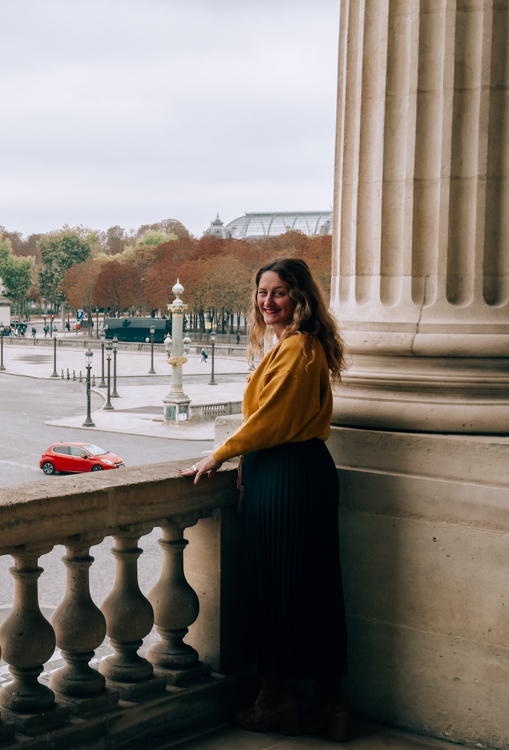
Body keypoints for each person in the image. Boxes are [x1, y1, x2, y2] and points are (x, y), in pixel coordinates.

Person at [181, 258, 348, 741]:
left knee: (275, 585)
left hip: (285, 476)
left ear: (300, 297)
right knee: (314, 587)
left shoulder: (297, 348)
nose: (267, 301)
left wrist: (219, 453)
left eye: (279, 292)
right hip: (301, 472)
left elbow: (270, 420)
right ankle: (329, 703)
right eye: (262, 292)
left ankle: (275, 698)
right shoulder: (303, 346)